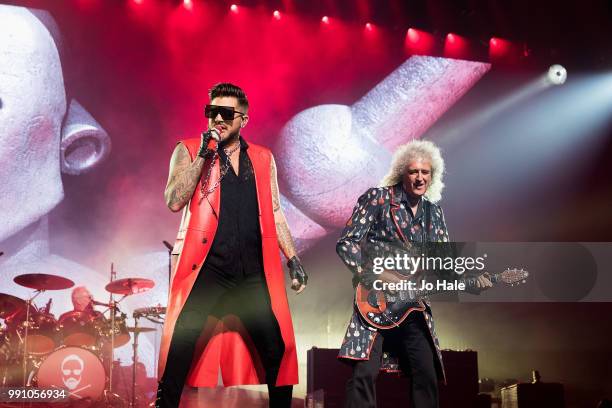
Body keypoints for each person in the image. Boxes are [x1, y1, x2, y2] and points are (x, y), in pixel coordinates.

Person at [156, 83, 307, 407]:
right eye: (212, 112)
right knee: (180, 347)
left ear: (244, 119)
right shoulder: (187, 149)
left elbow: (276, 212)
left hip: (251, 274)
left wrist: (292, 257)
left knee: (275, 351)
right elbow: (173, 200)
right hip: (208, 269)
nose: (218, 120)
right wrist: (203, 156)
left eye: (227, 113)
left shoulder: (263, 158)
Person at [336, 140, 492, 408]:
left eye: (425, 172)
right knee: (364, 373)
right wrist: (377, 273)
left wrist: (470, 282)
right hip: (376, 301)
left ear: (433, 176)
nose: (420, 178)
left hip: (413, 304)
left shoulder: (434, 212)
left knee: (426, 374)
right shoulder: (378, 198)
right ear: (402, 173)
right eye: (413, 172)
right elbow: (346, 243)